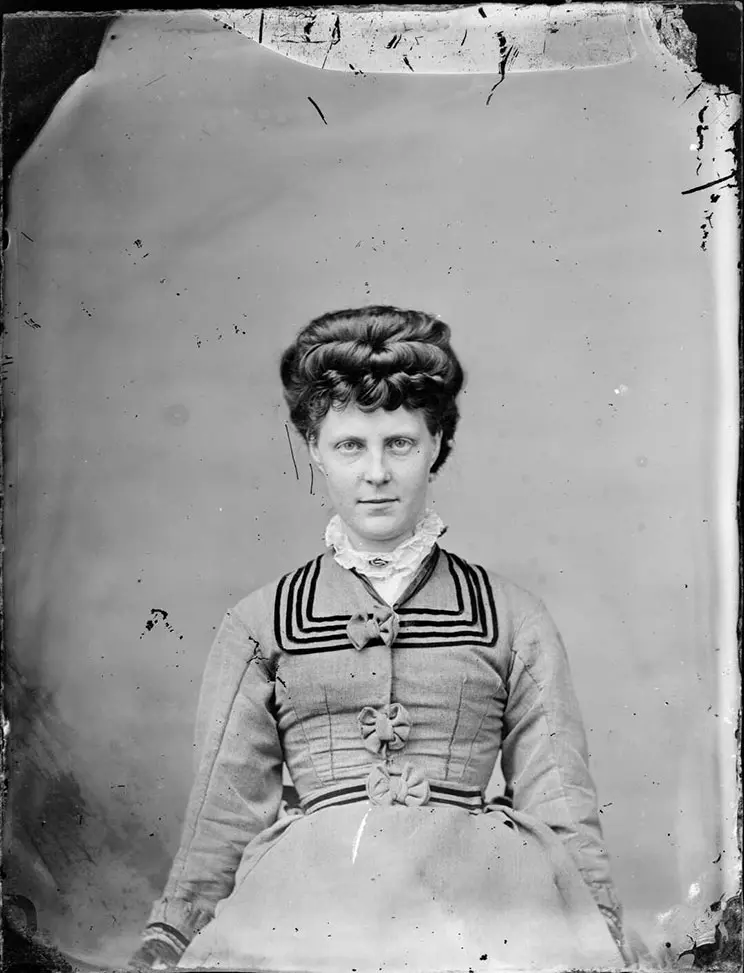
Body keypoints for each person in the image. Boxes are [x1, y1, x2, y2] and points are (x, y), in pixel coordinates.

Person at [129, 306, 634, 972]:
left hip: (478, 902)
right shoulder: (261, 624)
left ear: (436, 445)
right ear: (313, 447)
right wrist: (168, 936)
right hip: (310, 903)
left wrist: (600, 936)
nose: (376, 472)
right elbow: (221, 815)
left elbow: (559, 797)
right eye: (350, 446)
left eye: (399, 443)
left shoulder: (514, 617)